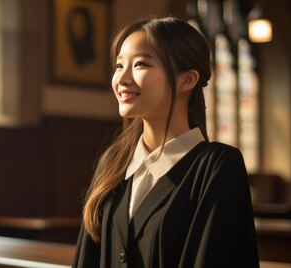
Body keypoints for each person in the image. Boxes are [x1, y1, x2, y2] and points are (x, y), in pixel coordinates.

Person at [72, 17, 259, 267]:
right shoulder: (114, 162)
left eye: (140, 64)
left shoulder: (217, 166)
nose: (122, 79)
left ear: (187, 79)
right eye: (119, 66)